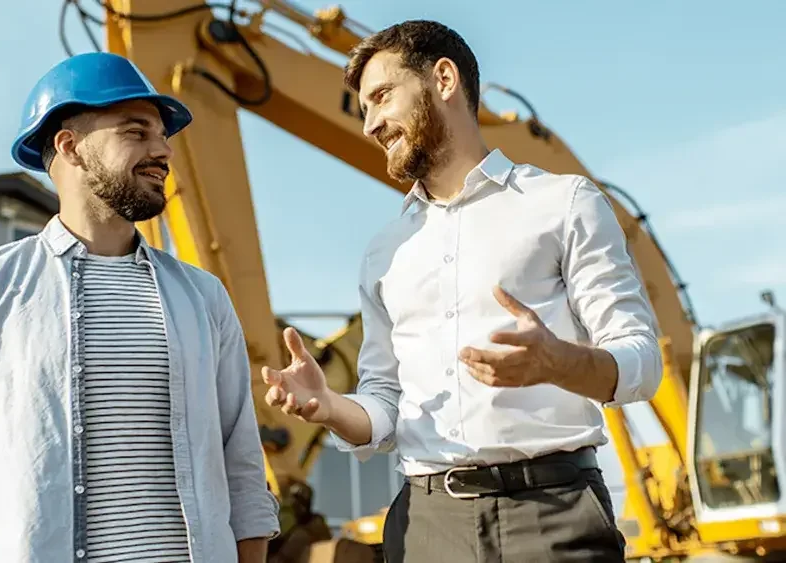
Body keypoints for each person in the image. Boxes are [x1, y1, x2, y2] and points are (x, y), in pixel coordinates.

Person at [261, 20, 662, 562]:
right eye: (364, 110)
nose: (371, 124)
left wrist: (558, 362)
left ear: (443, 78)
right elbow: (384, 404)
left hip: (553, 514)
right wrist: (330, 406)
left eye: (381, 97)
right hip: (426, 528)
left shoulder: (564, 203)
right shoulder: (385, 252)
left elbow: (641, 360)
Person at [0, 52, 279, 563]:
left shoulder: (205, 297)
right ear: (70, 147)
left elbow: (242, 466)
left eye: (163, 136)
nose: (163, 150)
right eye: (136, 132)